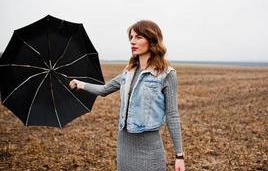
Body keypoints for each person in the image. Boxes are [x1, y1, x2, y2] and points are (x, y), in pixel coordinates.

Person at [69, 20, 185, 171]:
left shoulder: (166, 75)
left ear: (152, 39)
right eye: (131, 37)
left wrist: (179, 155)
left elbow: (172, 115)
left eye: (138, 37)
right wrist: (81, 84)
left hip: (149, 146)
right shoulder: (128, 72)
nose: (132, 41)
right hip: (124, 143)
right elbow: (104, 90)